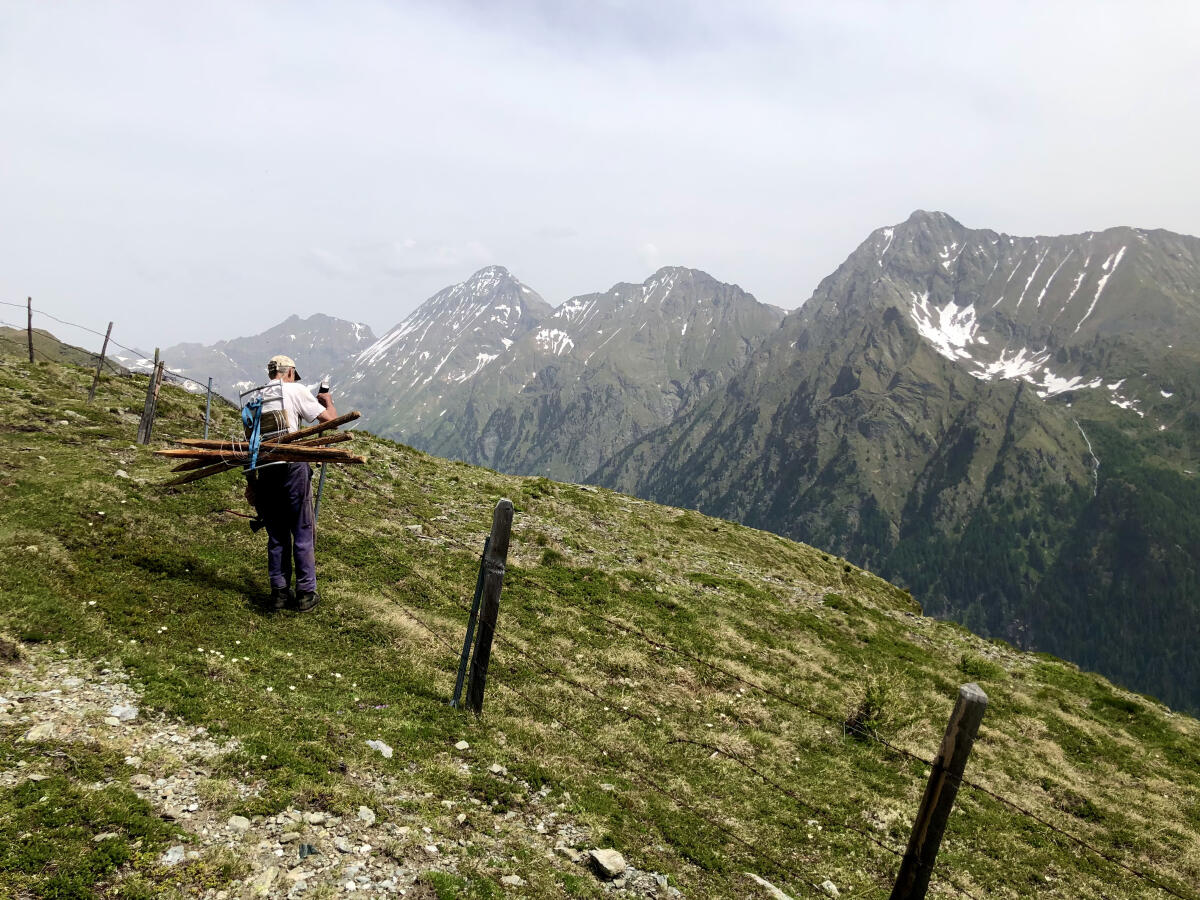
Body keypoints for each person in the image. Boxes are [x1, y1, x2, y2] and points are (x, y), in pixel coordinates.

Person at [243, 354, 338, 611]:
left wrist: (252, 484)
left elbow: (249, 447)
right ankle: (306, 593)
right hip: (292, 467)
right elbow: (330, 421)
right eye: (295, 374)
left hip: (265, 468)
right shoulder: (295, 391)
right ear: (289, 372)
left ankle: (279, 593)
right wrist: (327, 401)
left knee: (276, 534)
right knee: (302, 530)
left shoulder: (255, 398)